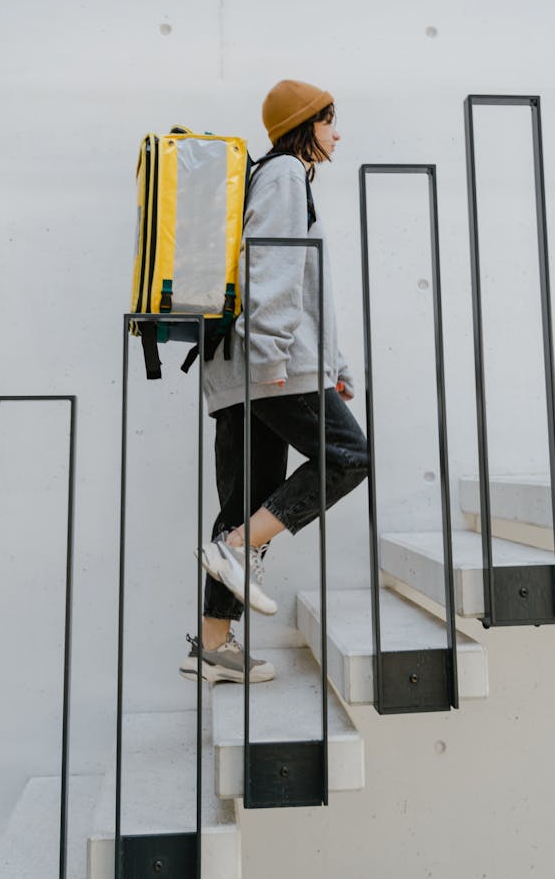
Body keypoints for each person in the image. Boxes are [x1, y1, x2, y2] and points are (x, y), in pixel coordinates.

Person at [179, 79, 369, 685]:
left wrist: (331, 368)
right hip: (270, 364)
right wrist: (272, 361)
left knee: (244, 498)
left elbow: (296, 283)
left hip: (238, 367)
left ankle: (213, 647)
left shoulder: (271, 175)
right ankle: (237, 548)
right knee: (348, 457)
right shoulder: (287, 174)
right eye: (329, 121)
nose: (337, 134)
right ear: (306, 124)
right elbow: (278, 269)